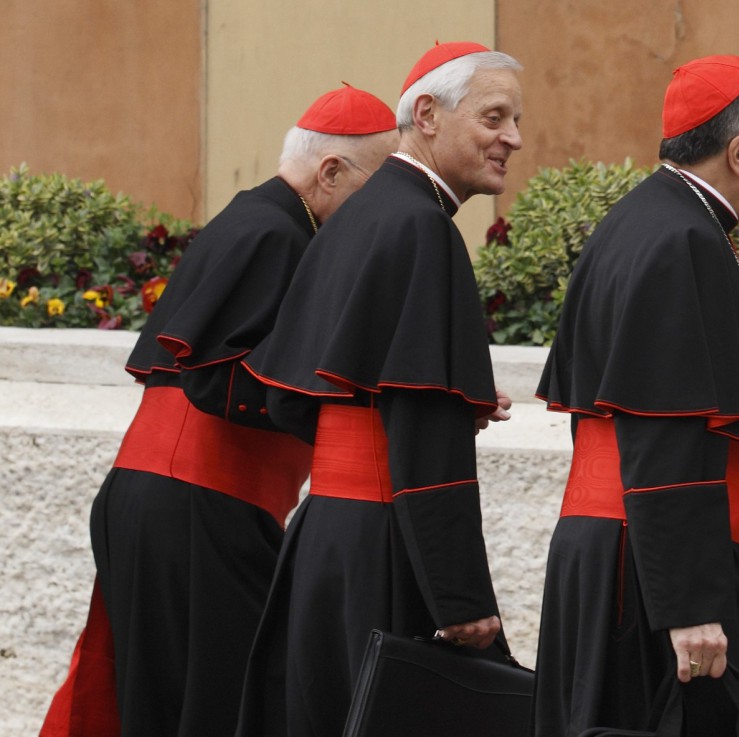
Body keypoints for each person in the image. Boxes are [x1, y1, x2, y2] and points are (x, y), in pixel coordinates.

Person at [39, 84, 399, 737]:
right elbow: (216, 375)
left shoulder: (254, 218)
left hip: (173, 501)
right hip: (201, 505)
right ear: (330, 172)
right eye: (373, 190)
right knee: (223, 709)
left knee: (165, 706)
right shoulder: (277, 233)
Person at [233, 41, 523, 737]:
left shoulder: (357, 216)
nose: (513, 137)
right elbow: (421, 423)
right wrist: (460, 596)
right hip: (386, 545)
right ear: (427, 114)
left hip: (327, 536)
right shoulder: (422, 227)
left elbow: (293, 397)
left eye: (515, 120)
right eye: (494, 116)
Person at [531, 55, 739, 736]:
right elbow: (661, 427)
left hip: (622, 552)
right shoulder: (681, 238)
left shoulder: (642, 218)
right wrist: (688, 604)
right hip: (655, 571)